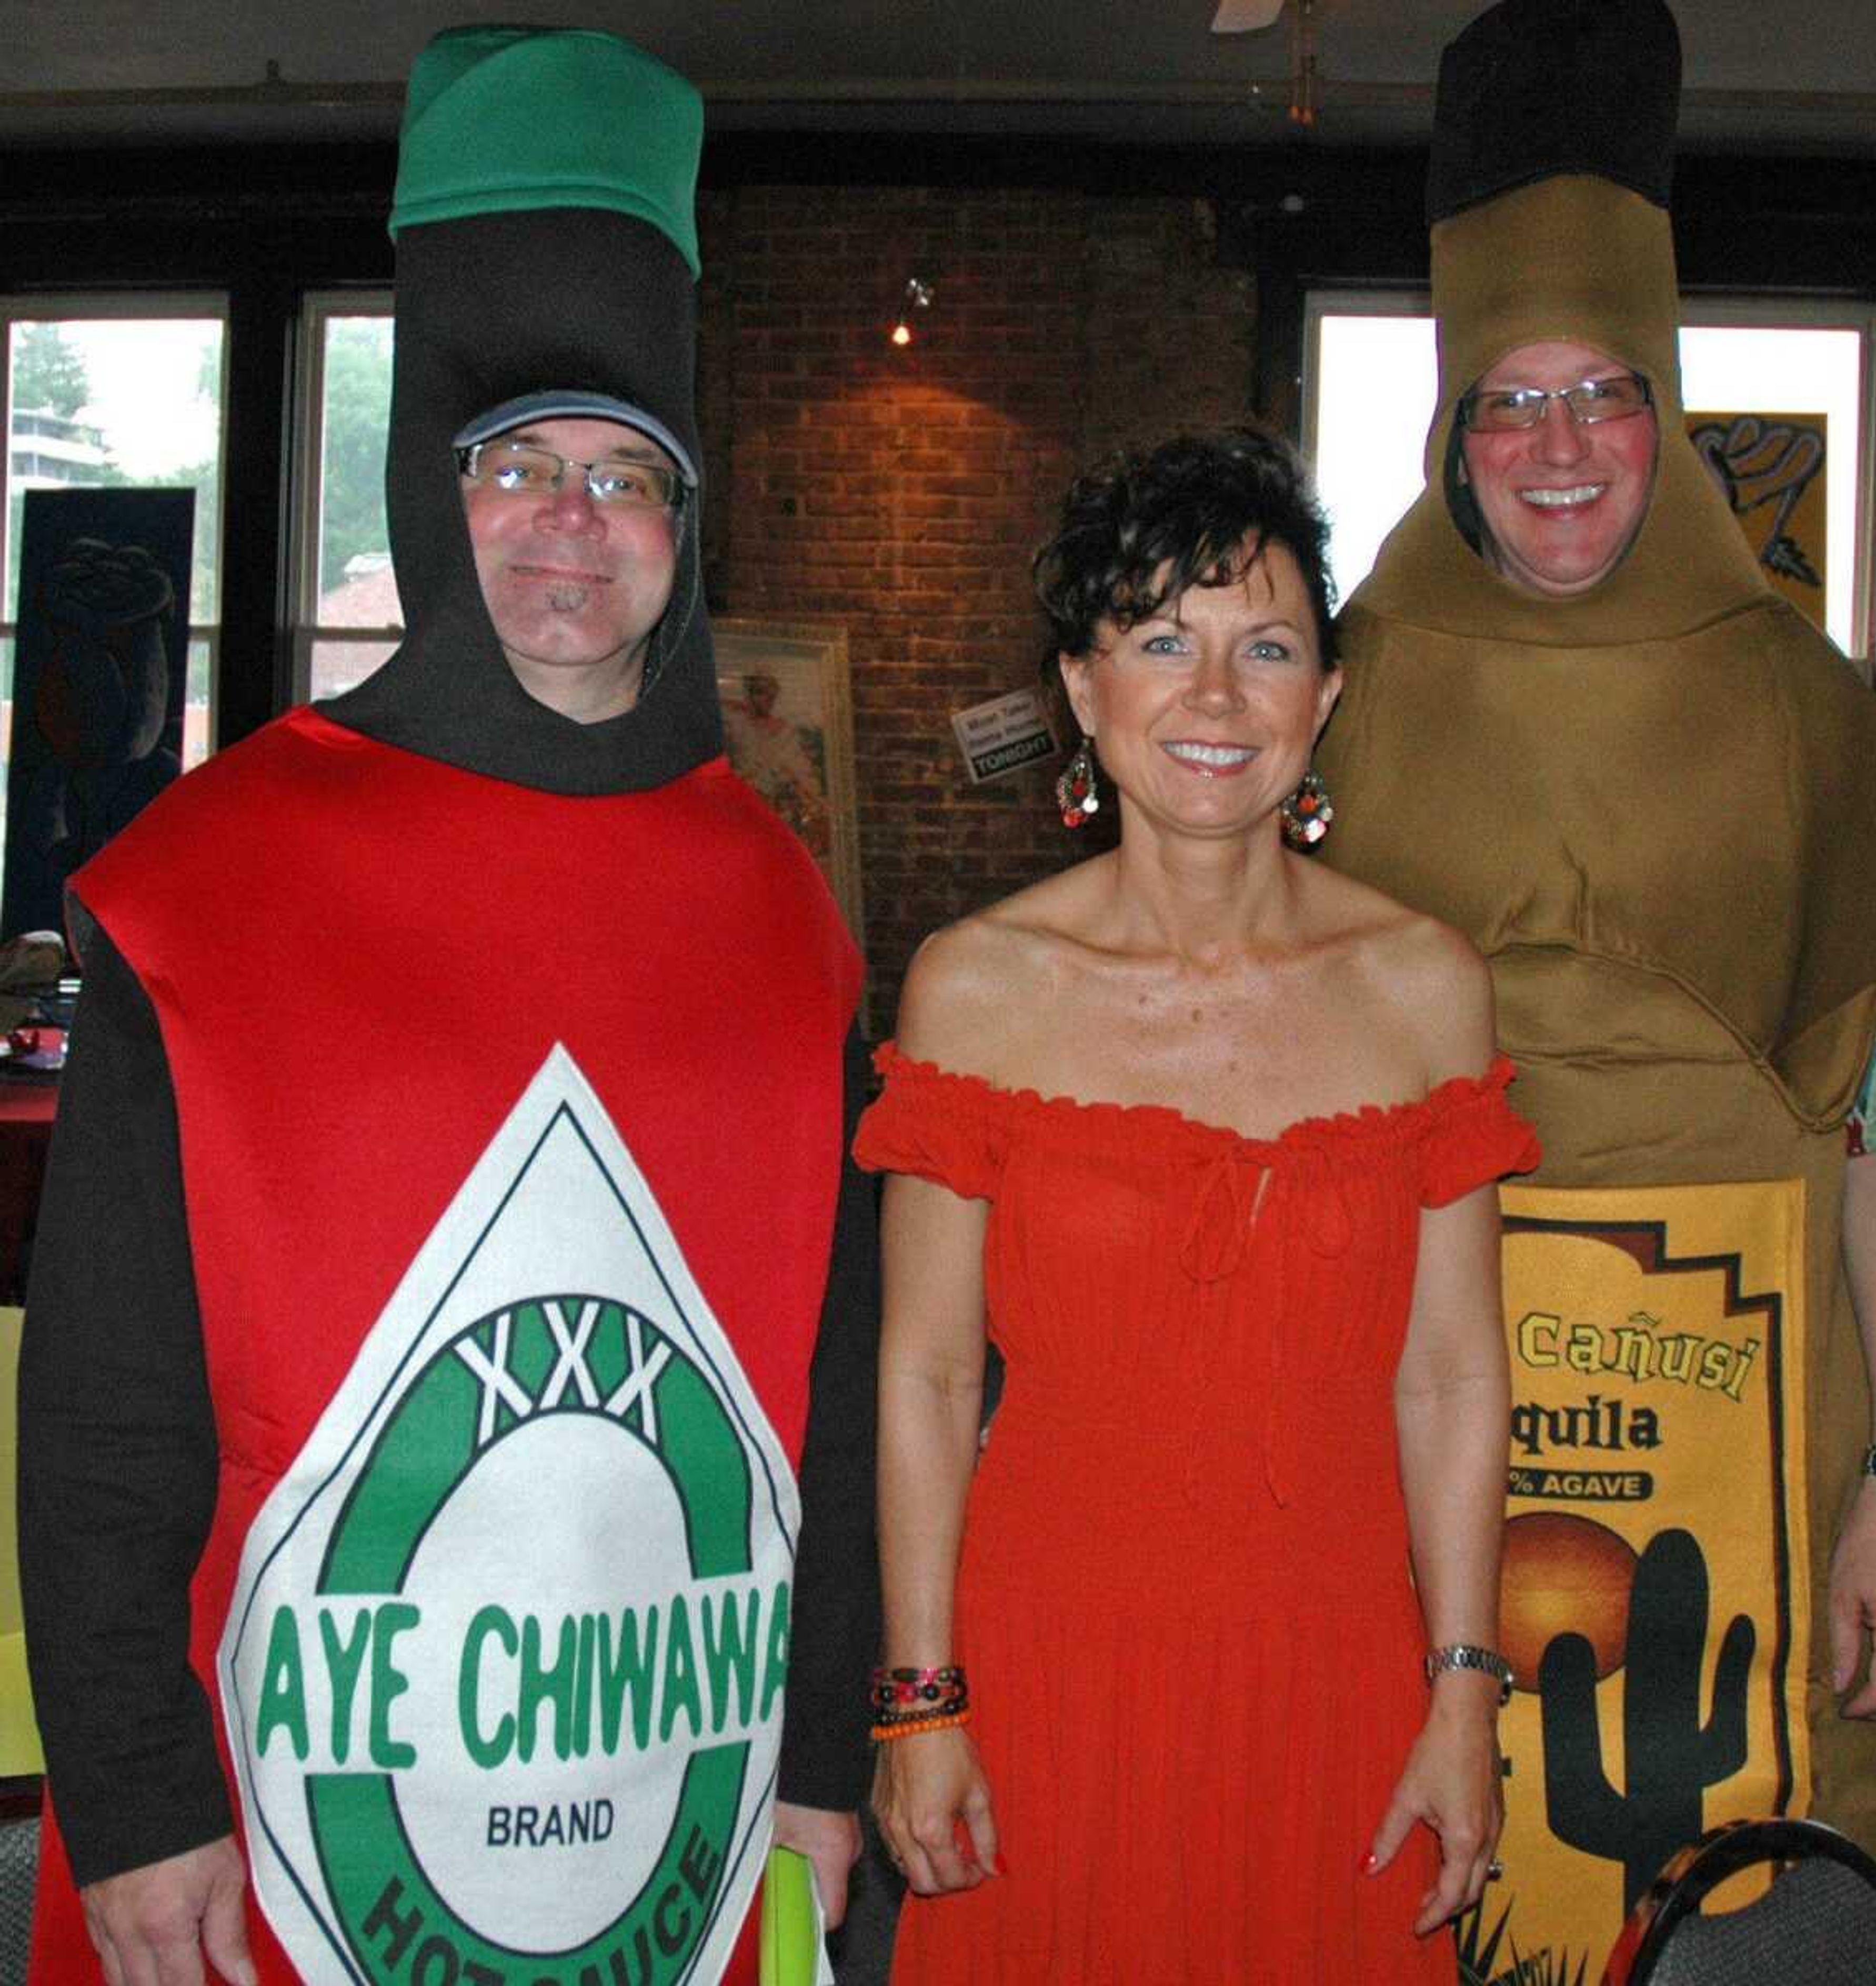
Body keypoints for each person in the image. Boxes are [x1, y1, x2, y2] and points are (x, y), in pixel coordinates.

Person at [18, 28, 877, 1986]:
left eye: (623, 476)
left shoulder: (783, 901)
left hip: (681, 1793)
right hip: (277, 1808)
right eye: (516, 466)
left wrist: (822, 1735)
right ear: (433, 490)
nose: (570, 525)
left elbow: (830, 1375)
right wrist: (138, 1791)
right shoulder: (200, 886)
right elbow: (101, 1414)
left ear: (686, 528)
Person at [1312, 0, 1876, 1970]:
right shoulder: (1320, 698)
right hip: (1410, 1453)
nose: (1557, 451)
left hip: (1772, 1477)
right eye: (1507, 402)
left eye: (1603, 393)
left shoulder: (1814, 719)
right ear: (1451, 430)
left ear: (1669, 410)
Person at [854, 428, 1541, 1982]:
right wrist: (920, 1701)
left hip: (1343, 1685)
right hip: (1046, 1681)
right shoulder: (977, 989)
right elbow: (929, 1374)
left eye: (1268, 647)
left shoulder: (1428, 989)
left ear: (1327, 698)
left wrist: (1463, 1689)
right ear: (1083, 696)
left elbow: (1449, 1376)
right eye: (1162, 641)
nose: (1217, 698)